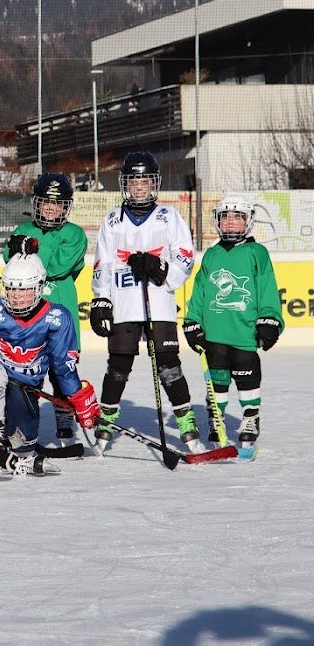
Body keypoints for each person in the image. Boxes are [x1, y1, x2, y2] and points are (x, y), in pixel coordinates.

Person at [89, 151, 199, 450]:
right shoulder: (114, 220)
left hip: (159, 301)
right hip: (125, 302)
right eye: (134, 181)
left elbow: (185, 255)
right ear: (125, 184)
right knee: (118, 366)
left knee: (168, 365)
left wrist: (163, 270)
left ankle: (186, 423)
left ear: (155, 183)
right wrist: (101, 300)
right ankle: (107, 421)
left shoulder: (168, 216)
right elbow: (104, 263)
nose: (140, 187)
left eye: (145, 180)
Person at [0, 254, 99, 461]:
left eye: (24, 289)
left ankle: (5, 433)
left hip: (24, 388)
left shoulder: (56, 317)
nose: (16, 296)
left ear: (39, 288)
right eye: (11, 288)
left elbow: (62, 366)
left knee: (23, 449)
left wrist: (78, 397)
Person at [182, 195, 283, 453]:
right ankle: (217, 419)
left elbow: (267, 289)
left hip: (244, 332)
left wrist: (270, 318)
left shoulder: (256, 253)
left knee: (247, 375)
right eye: (225, 217)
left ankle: (250, 418)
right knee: (217, 380)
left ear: (248, 222)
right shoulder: (212, 255)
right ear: (217, 221)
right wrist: (193, 321)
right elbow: (200, 292)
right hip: (215, 333)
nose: (231, 223)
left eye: (238, 218)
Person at [7, 173, 88, 440]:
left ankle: (65, 418)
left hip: (60, 304)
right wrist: (23, 250)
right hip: (28, 311)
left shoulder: (75, 234)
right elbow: (15, 266)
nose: (51, 209)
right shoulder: (22, 231)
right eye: (45, 203)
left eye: (58, 204)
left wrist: (31, 252)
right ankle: (24, 421)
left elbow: (56, 267)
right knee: (27, 367)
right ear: (36, 204)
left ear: (66, 207)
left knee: (61, 369)